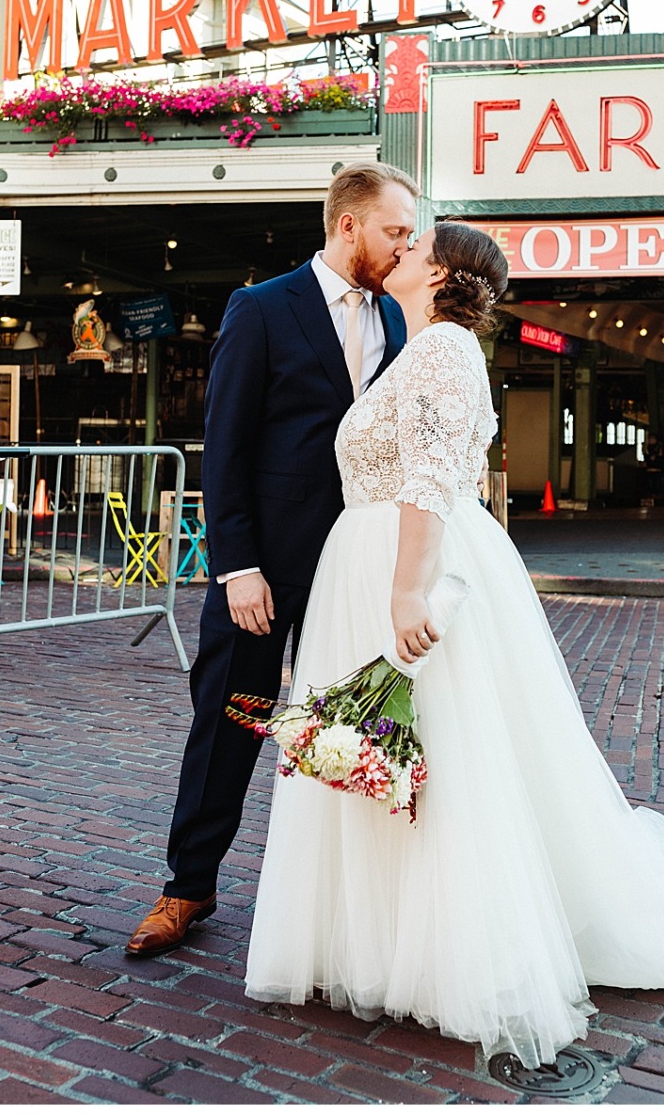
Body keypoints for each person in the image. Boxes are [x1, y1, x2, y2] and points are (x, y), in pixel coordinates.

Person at [243, 222, 664, 1067]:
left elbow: (433, 480)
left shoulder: (441, 351)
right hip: (365, 563)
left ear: (440, 271)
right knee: (387, 746)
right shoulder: (417, 350)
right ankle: (375, 937)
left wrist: (408, 591)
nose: (398, 246)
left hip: (405, 563)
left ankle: (445, 949)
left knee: (433, 749)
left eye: (414, 242)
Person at [126, 161, 415, 957]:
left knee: (356, 730)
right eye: (394, 230)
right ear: (347, 224)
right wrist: (236, 565)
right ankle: (187, 889)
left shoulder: (398, 318)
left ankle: (347, 905)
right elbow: (224, 447)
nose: (404, 246)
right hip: (265, 569)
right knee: (227, 724)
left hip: (355, 566)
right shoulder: (259, 308)